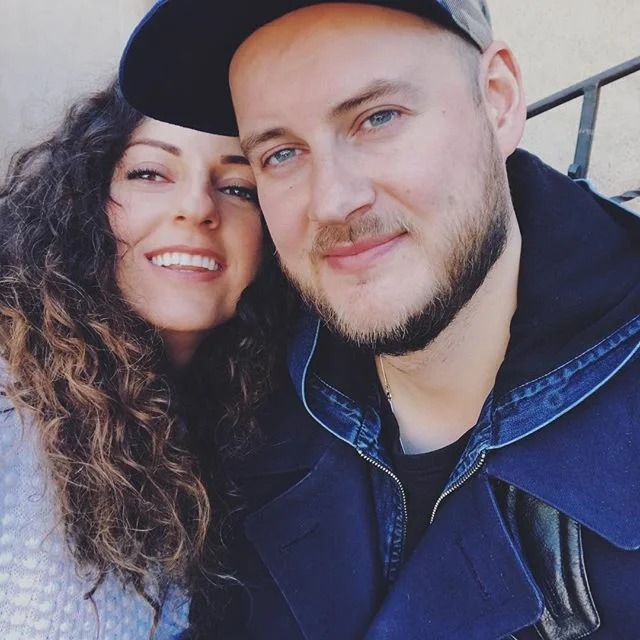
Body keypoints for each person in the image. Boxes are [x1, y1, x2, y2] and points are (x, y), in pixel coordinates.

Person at [120, 1, 640, 639]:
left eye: (378, 117)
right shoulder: (244, 404)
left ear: (499, 100)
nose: (333, 201)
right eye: (281, 154)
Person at [0, 79, 293, 639]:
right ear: (85, 200)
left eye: (239, 187)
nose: (197, 207)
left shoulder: (257, 426)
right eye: (151, 174)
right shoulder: (11, 398)